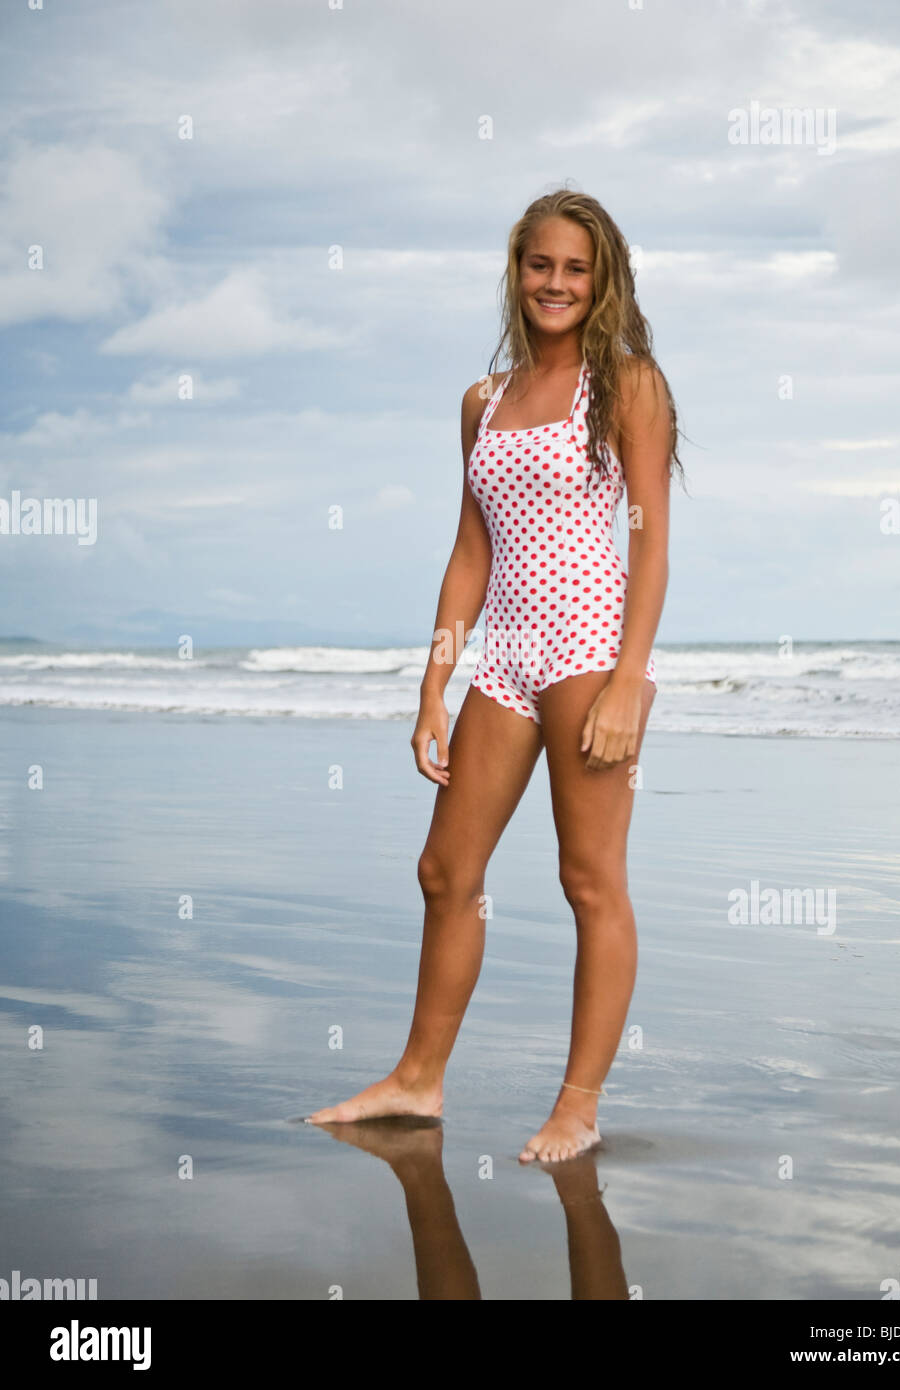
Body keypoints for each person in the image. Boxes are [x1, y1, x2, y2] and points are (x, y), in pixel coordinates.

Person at [306, 189, 683, 1162]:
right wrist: (435, 681)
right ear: (516, 272)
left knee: (588, 879)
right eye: (539, 264)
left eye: (575, 268)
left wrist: (629, 678)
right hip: (505, 654)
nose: (554, 283)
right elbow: (470, 552)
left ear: (602, 282)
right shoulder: (484, 400)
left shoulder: (629, 384)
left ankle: (579, 1103)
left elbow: (649, 539)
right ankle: (419, 1080)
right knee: (445, 871)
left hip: (590, 645)